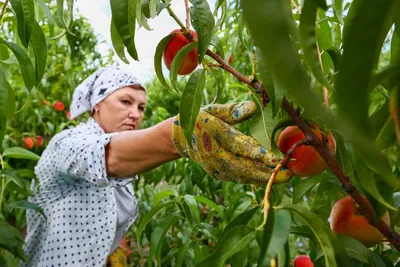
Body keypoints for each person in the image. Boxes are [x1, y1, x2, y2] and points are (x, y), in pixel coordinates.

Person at [21, 66, 291, 267]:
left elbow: (110, 210)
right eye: (125, 101)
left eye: (141, 107)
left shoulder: (129, 159)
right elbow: (104, 157)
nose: (135, 114)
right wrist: (181, 133)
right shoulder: (67, 143)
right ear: (97, 106)